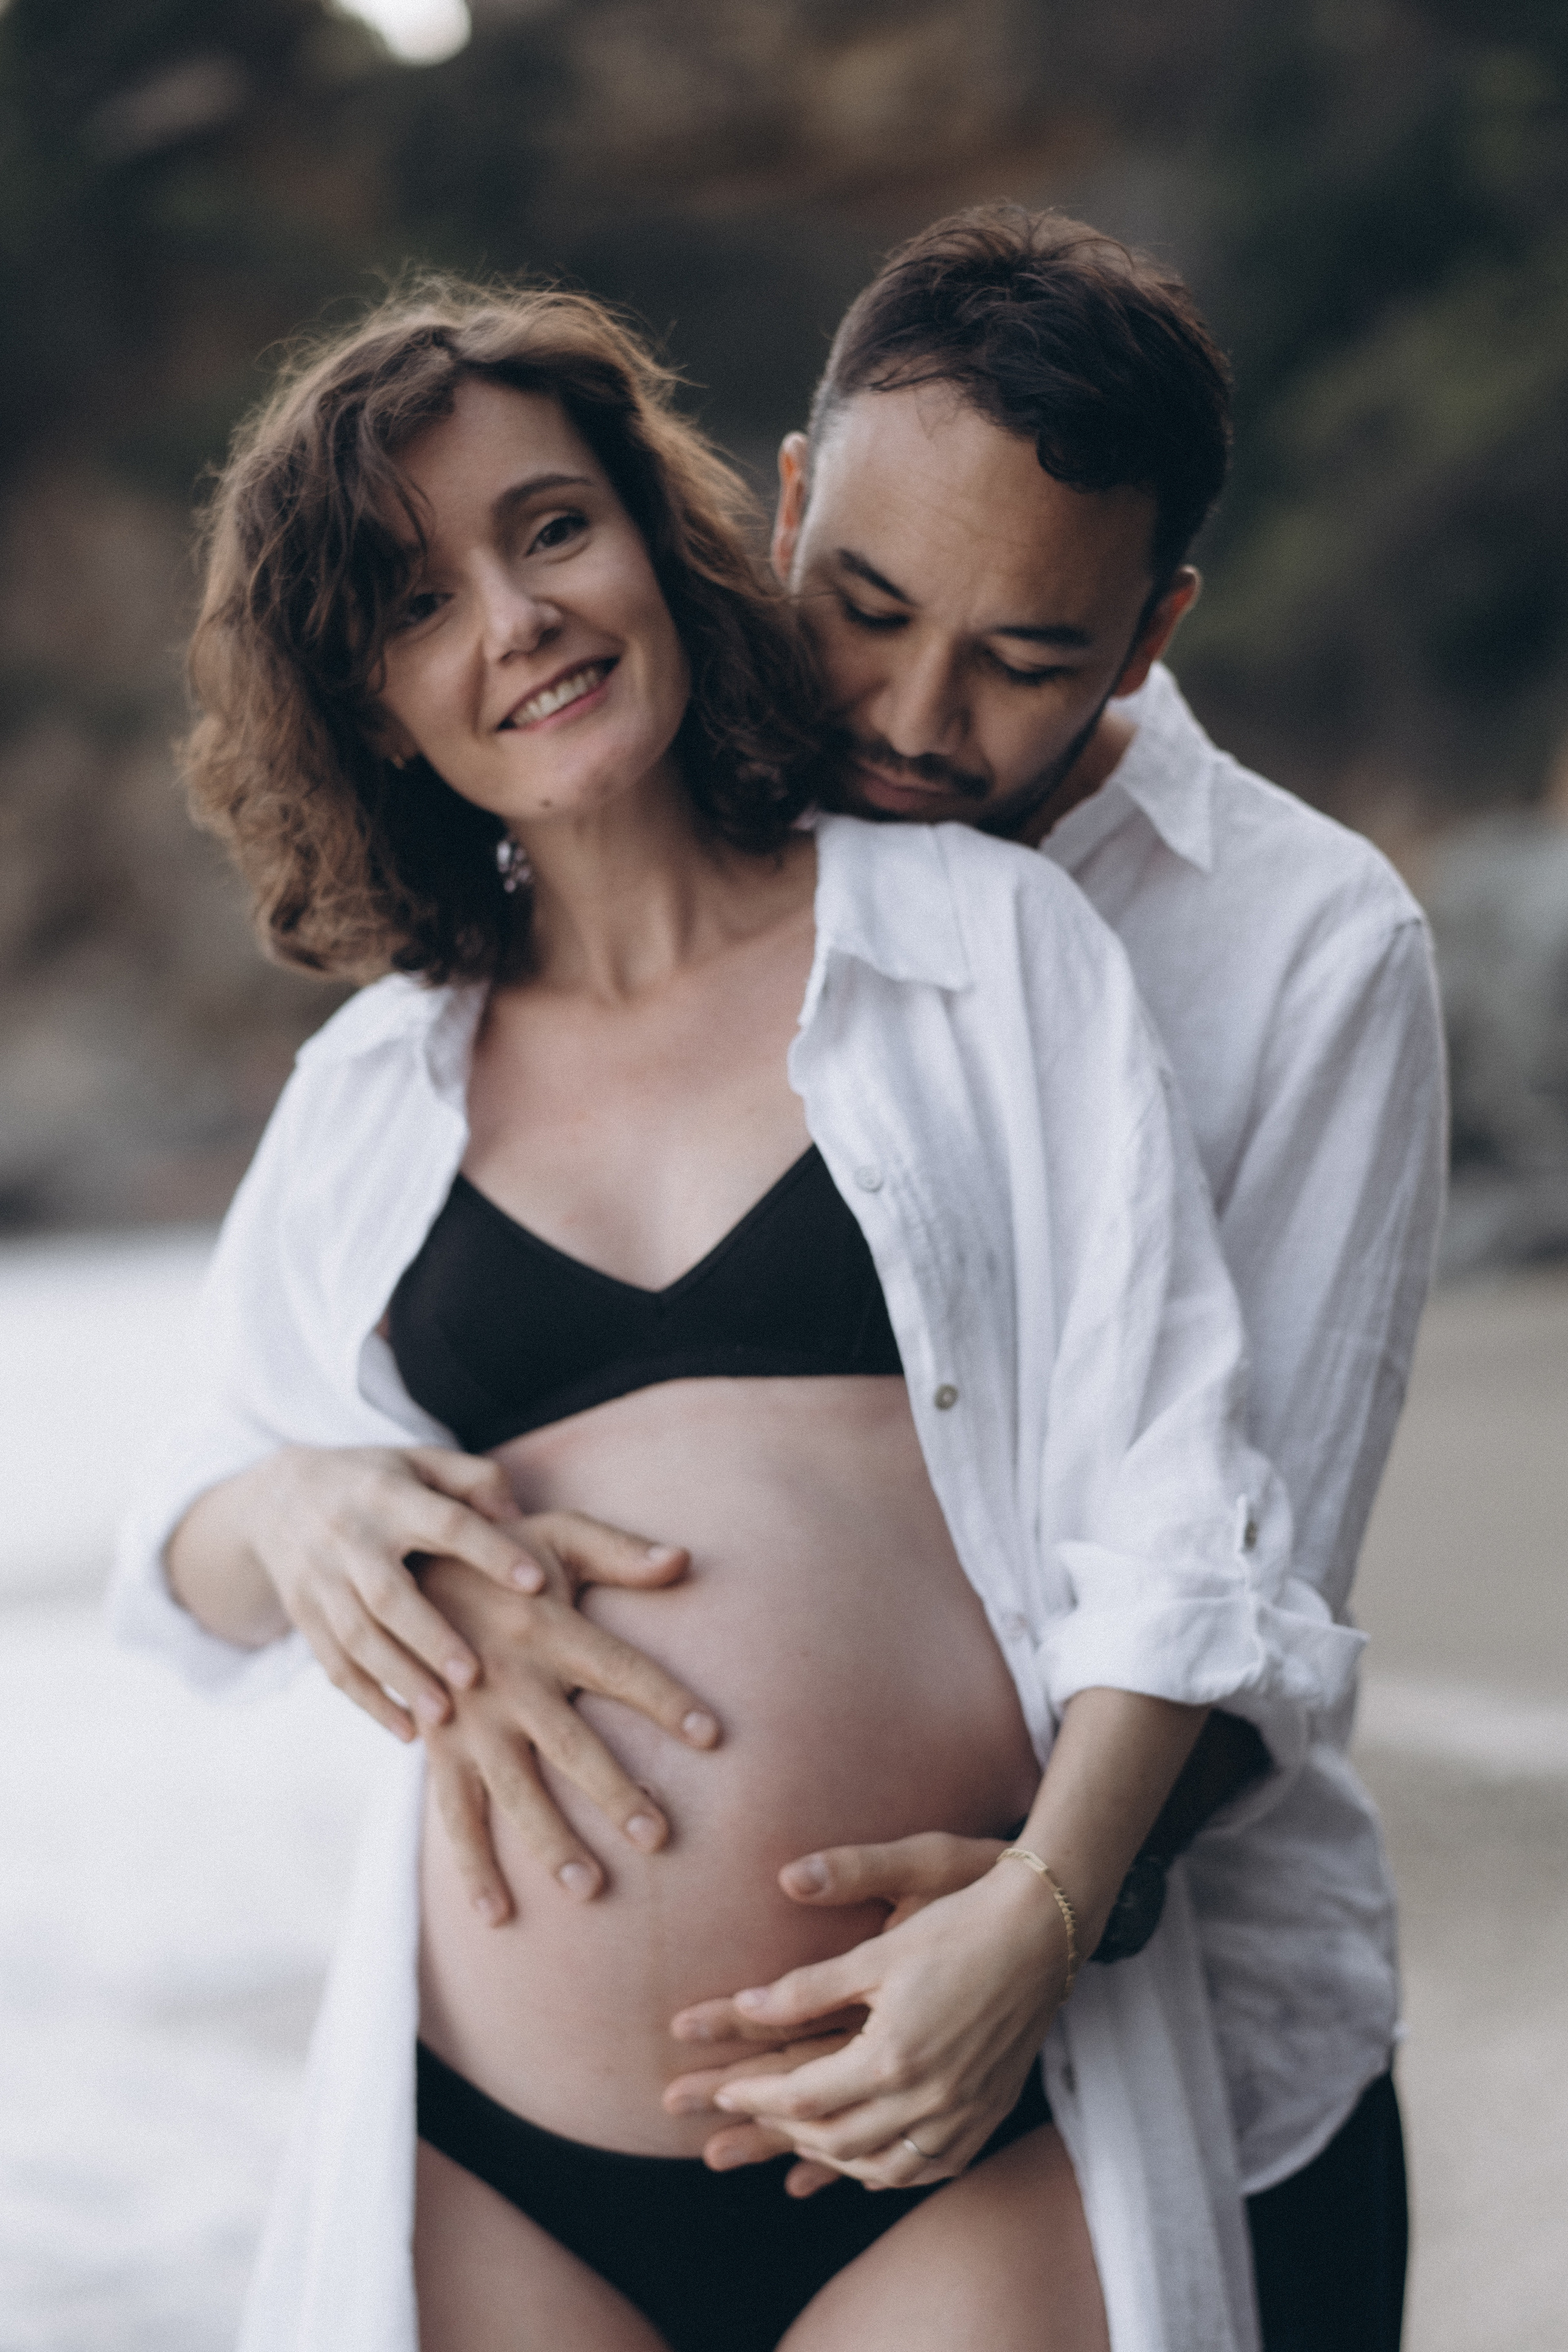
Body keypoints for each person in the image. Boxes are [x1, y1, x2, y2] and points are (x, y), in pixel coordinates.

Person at [109, 280, 1357, 2352]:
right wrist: (309, 1510)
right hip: (490, 2161)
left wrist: (1042, 1925)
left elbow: (1179, 1501)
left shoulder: (981, 948)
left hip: (932, 2117)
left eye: (549, 527)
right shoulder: (371, 1091)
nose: (515, 619)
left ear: (675, 539)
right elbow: (183, 1551)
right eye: (418, 602)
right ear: (370, 701)